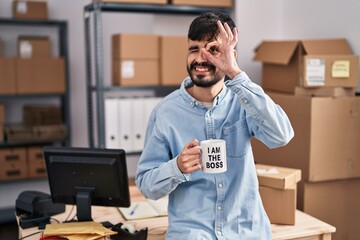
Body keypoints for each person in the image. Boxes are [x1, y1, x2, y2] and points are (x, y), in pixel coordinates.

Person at [135, 11, 294, 239]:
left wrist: (235, 74)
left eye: (212, 50)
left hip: (246, 232)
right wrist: (177, 167)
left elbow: (281, 136)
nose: (200, 58)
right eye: (193, 49)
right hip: (192, 233)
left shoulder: (244, 101)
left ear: (231, 55)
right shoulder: (165, 113)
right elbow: (146, 186)